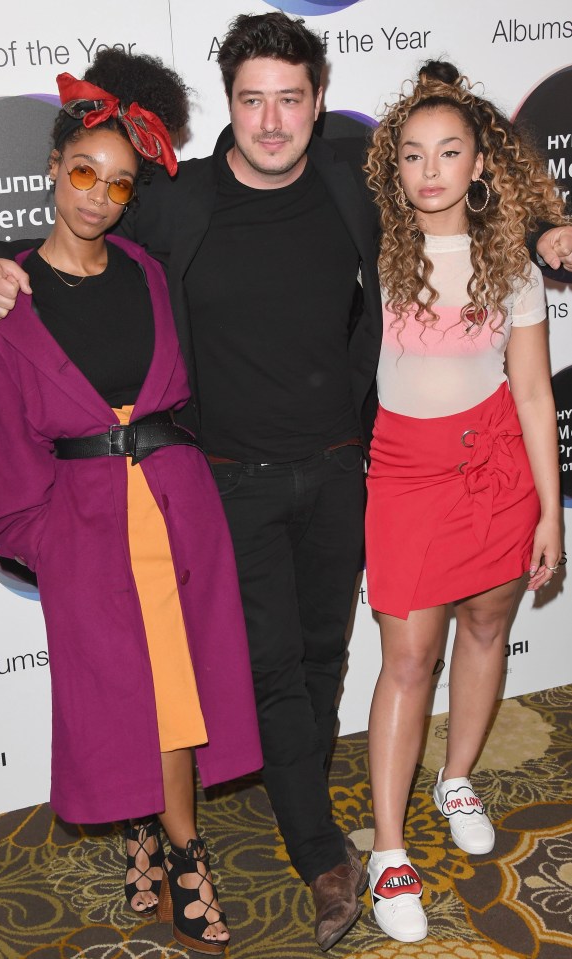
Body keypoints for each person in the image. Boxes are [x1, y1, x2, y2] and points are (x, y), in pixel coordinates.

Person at [0, 13, 381, 951]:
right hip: (224, 482)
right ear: (226, 106)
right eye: (250, 100)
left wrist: (545, 225)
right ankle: (309, 852)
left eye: (290, 98)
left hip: (314, 473)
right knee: (241, 671)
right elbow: (54, 256)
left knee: (318, 657)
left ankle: (267, 808)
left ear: (318, 100)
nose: (271, 121)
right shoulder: (177, 203)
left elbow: (453, 205)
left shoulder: (354, 187)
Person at [0, 49, 263, 957]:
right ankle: (174, 847)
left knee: (176, 689)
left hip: (176, 507)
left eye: (118, 184)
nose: (96, 195)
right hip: (86, 524)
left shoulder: (146, 270)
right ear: (51, 169)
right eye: (82, 172)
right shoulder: (4, 300)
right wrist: (51, 537)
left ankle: (170, 843)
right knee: (129, 692)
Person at [361, 60, 566, 944]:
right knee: (408, 658)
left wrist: (551, 511)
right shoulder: (364, 243)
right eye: (413, 154)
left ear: (481, 161)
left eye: (450, 150)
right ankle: (388, 851)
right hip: (402, 471)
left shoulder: (507, 257)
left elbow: (530, 393)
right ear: (392, 167)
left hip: (497, 467)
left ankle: (457, 778)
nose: (432, 168)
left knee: (486, 625)